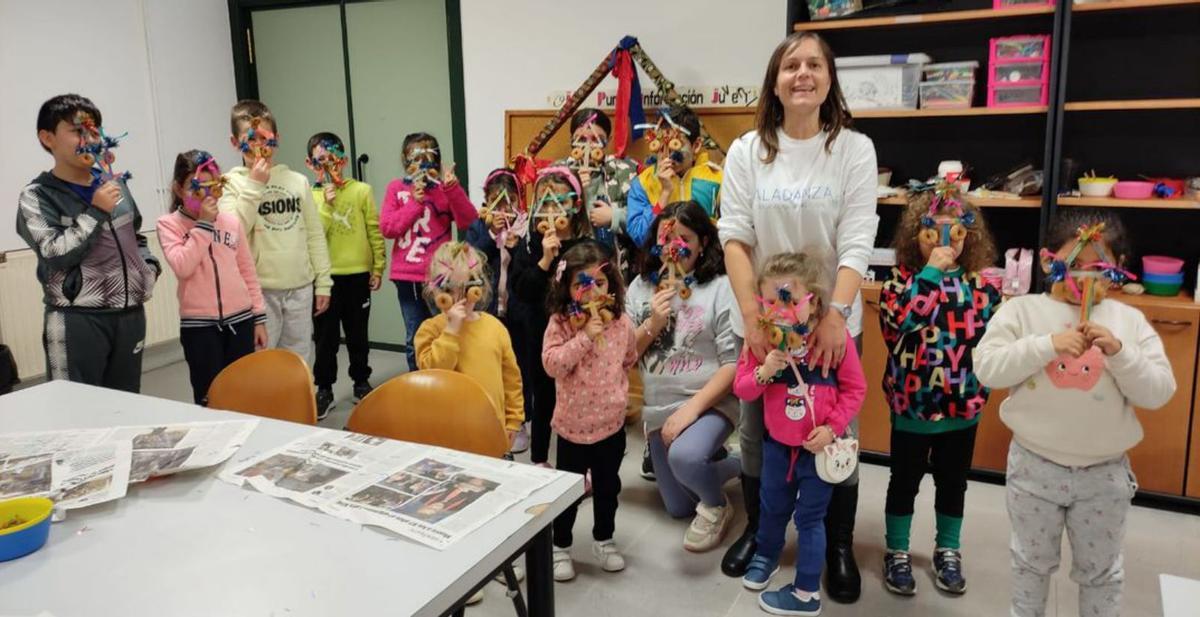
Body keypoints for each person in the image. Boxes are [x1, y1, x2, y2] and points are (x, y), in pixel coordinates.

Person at [716, 32, 879, 602]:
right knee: (760, 437)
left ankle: (835, 542)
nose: (803, 73)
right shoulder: (746, 152)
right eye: (791, 65)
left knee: (831, 435)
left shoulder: (853, 150)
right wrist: (752, 317)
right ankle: (762, 535)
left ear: (830, 79)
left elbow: (858, 238)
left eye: (815, 64)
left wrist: (835, 311)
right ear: (775, 80)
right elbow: (735, 237)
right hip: (764, 325)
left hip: (831, 325)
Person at [975, 210, 1175, 617]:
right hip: (1034, 467)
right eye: (1074, 266)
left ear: (1119, 269)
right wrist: (1046, 344)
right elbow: (988, 369)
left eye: (1098, 269)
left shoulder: (1128, 321)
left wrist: (1120, 353)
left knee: (1101, 572)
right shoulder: (1022, 311)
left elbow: (1158, 391)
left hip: (1104, 474)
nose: (1084, 279)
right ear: (1050, 262)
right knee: (1030, 565)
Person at [878, 183, 1002, 596]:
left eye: (956, 232)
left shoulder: (982, 287)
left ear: (970, 236)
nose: (946, 241)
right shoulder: (902, 281)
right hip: (913, 404)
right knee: (904, 481)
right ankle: (897, 550)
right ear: (918, 235)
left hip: (962, 405)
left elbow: (996, 342)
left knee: (954, 483)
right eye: (935, 232)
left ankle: (948, 548)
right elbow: (900, 323)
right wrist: (931, 273)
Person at [734, 252, 865, 615]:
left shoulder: (832, 345)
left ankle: (806, 591)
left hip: (816, 454)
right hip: (777, 448)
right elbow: (743, 390)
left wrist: (832, 427)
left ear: (815, 300)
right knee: (772, 507)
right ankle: (766, 555)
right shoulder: (762, 343)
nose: (779, 310)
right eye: (770, 301)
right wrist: (764, 371)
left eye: (789, 299)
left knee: (810, 519)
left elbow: (856, 389)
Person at [17, 93, 160, 392]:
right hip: (77, 320)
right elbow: (53, 253)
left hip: (130, 315)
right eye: (76, 131)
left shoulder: (114, 183)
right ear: (47, 138)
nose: (88, 139)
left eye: (93, 130)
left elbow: (135, 235)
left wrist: (149, 269)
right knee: (75, 412)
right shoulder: (37, 195)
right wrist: (95, 211)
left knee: (127, 406)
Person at [626, 200, 740, 552]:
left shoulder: (721, 287)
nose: (674, 248)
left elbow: (733, 365)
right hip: (661, 408)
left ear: (703, 242)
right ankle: (738, 463)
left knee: (685, 458)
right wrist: (651, 325)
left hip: (711, 401)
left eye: (684, 238)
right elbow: (624, 354)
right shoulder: (641, 288)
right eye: (667, 238)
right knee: (678, 507)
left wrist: (691, 410)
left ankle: (719, 505)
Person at [542, 241, 637, 582]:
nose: (593, 291)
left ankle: (604, 539)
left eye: (600, 282)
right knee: (569, 491)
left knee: (608, 487)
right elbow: (552, 364)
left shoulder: (622, 322)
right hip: (572, 428)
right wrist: (583, 337)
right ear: (566, 288)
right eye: (582, 284)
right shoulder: (561, 322)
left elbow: (628, 360)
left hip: (611, 426)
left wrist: (619, 395)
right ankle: (561, 545)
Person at [219, 100, 332, 364]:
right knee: (262, 363)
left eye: (265, 138)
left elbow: (314, 235)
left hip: (300, 287)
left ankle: (295, 405)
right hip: (260, 291)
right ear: (235, 143)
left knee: (298, 360)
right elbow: (232, 232)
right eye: (250, 139)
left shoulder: (297, 181)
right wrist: (254, 186)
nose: (259, 147)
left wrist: (323, 282)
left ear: (276, 139)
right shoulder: (230, 184)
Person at [157, 150, 267, 405]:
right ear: (178, 189)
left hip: (240, 321)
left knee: (244, 393)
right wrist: (204, 225)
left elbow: (247, 271)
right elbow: (183, 266)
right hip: (200, 328)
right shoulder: (168, 225)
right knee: (210, 396)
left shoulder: (230, 221)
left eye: (213, 188)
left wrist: (258, 318)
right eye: (197, 188)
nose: (207, 196)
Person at [508, 166, 596, 468]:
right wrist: (545, 260)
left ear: (575, 205)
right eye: (545, 203)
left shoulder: (587, 246)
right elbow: (521, 290)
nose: (552, 210)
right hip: (539, 331)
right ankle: (540, 459)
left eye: (559, 202)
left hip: (579, 333)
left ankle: (582, 462)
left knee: (580, 396)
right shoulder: (531, 244)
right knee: (543, 395)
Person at [379, 132, 477, 371]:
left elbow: (468, 221)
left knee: (447, 326)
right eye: (415, 158)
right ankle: (418, 382)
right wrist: (414, 203)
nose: (422, 165)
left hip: (441, 275)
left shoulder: (444, 190)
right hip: (407, 275)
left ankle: (447, 377)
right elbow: (388, 228)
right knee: (415, 333)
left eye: (428, 158)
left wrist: (452, 188)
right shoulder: (396, 188)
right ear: (405, 161)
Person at [305, 132, 385, 419]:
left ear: (345, 160)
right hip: (325, 280)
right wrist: (325, 204)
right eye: (320, 161)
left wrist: (377, 267)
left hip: (357, 276)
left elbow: (374, 229)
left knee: (358, 334)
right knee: (325, 337)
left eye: (334, 159)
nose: (328, 167)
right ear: (310, 164)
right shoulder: (309, 195)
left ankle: (361, 381)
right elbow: (314, 235)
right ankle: (324, 387)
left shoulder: (361, 190)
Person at [413, 241, 524, 445]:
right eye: (450, 289)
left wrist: (513, 420)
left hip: (491, 428)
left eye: (467, 288)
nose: (459, 299)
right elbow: (433, 373)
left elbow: (511, 379)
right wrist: (451, 331)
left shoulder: (495, 327)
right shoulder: (429, 330)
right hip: (447, 433)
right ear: (435, 292)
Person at [465, 168, 532, 452]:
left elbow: (529, 269)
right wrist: (491, 234)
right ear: (486, 201)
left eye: (509, 201)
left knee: (519, 367)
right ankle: (490, 415)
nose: (504, 209)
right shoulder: (479, 227)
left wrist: (516, 246)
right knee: (489, 363)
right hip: (489, 310)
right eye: (496, 201)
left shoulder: (526, 227)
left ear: (519, 201)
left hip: (518, 310)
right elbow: (472, 260)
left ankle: (521, 420)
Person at [626, 105, 723, 248]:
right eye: (660, 145)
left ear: (696, 145)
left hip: (708, 265)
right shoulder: (642, 183)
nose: (666, 153)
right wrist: (664, 194)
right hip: (660, 264)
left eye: (675, 144)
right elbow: (640, 238)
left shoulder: (717, 179)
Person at [553, 107, 639, 247]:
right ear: (571, 140)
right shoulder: (557, 172)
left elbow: (643, 220)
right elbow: (545, 218)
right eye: (581, 139)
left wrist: (614, 216)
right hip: (570, 255)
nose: (588, 146)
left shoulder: (625, 170)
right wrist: (579, 190)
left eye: (596, 139)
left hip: (614, 258)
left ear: (608, 140)